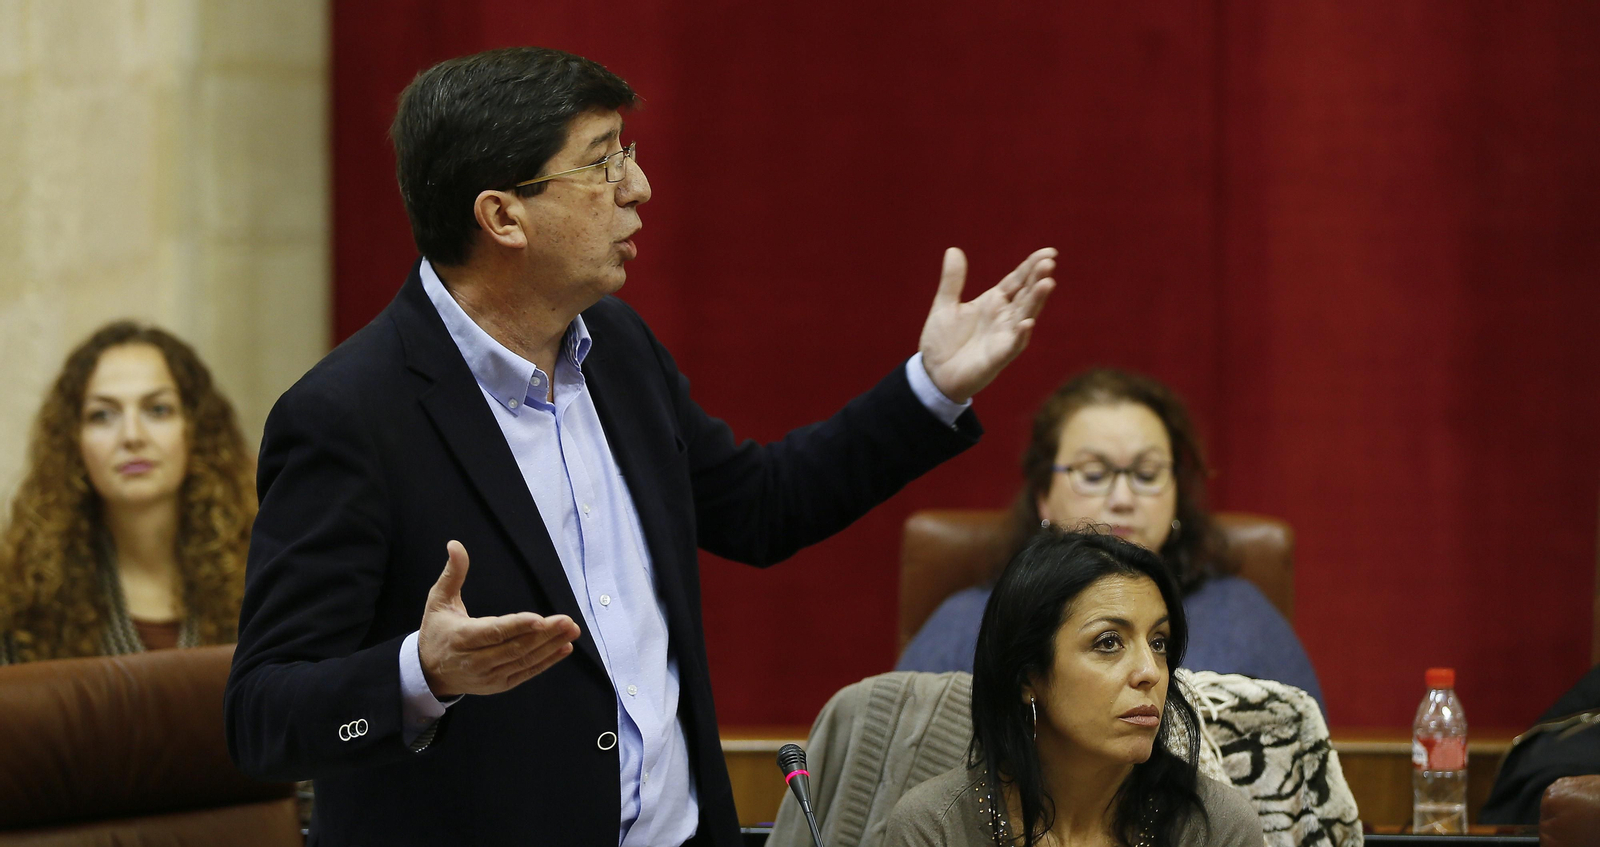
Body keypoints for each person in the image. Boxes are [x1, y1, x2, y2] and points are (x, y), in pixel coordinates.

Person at [223, 46, 1057, 847]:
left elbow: (763, 507)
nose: (641, 188)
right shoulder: (349, 415)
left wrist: (931, 388)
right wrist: (419, 673)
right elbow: (263, 719)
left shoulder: (616, 350)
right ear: (502, 214)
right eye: (602, 163)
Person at [897, 368, 1325, 709]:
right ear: (1043, 495)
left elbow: (1310, 784)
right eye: (1095, 475)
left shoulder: (1246, 620)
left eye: (1146, 475)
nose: (1122, 499)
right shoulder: (964, 624)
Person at [884, 530, 1264, 847]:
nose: (1150, 671)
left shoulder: (1215, 829)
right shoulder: (935, 829)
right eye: (1109, 642)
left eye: (1159, 642)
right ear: (1028, 677)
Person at [0, 321, 254, 664]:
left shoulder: (258, 572)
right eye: (103, 415)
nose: (132, 436)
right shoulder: (23, 594)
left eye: (157, 410)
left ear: (196, 429)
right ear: (73, 442)